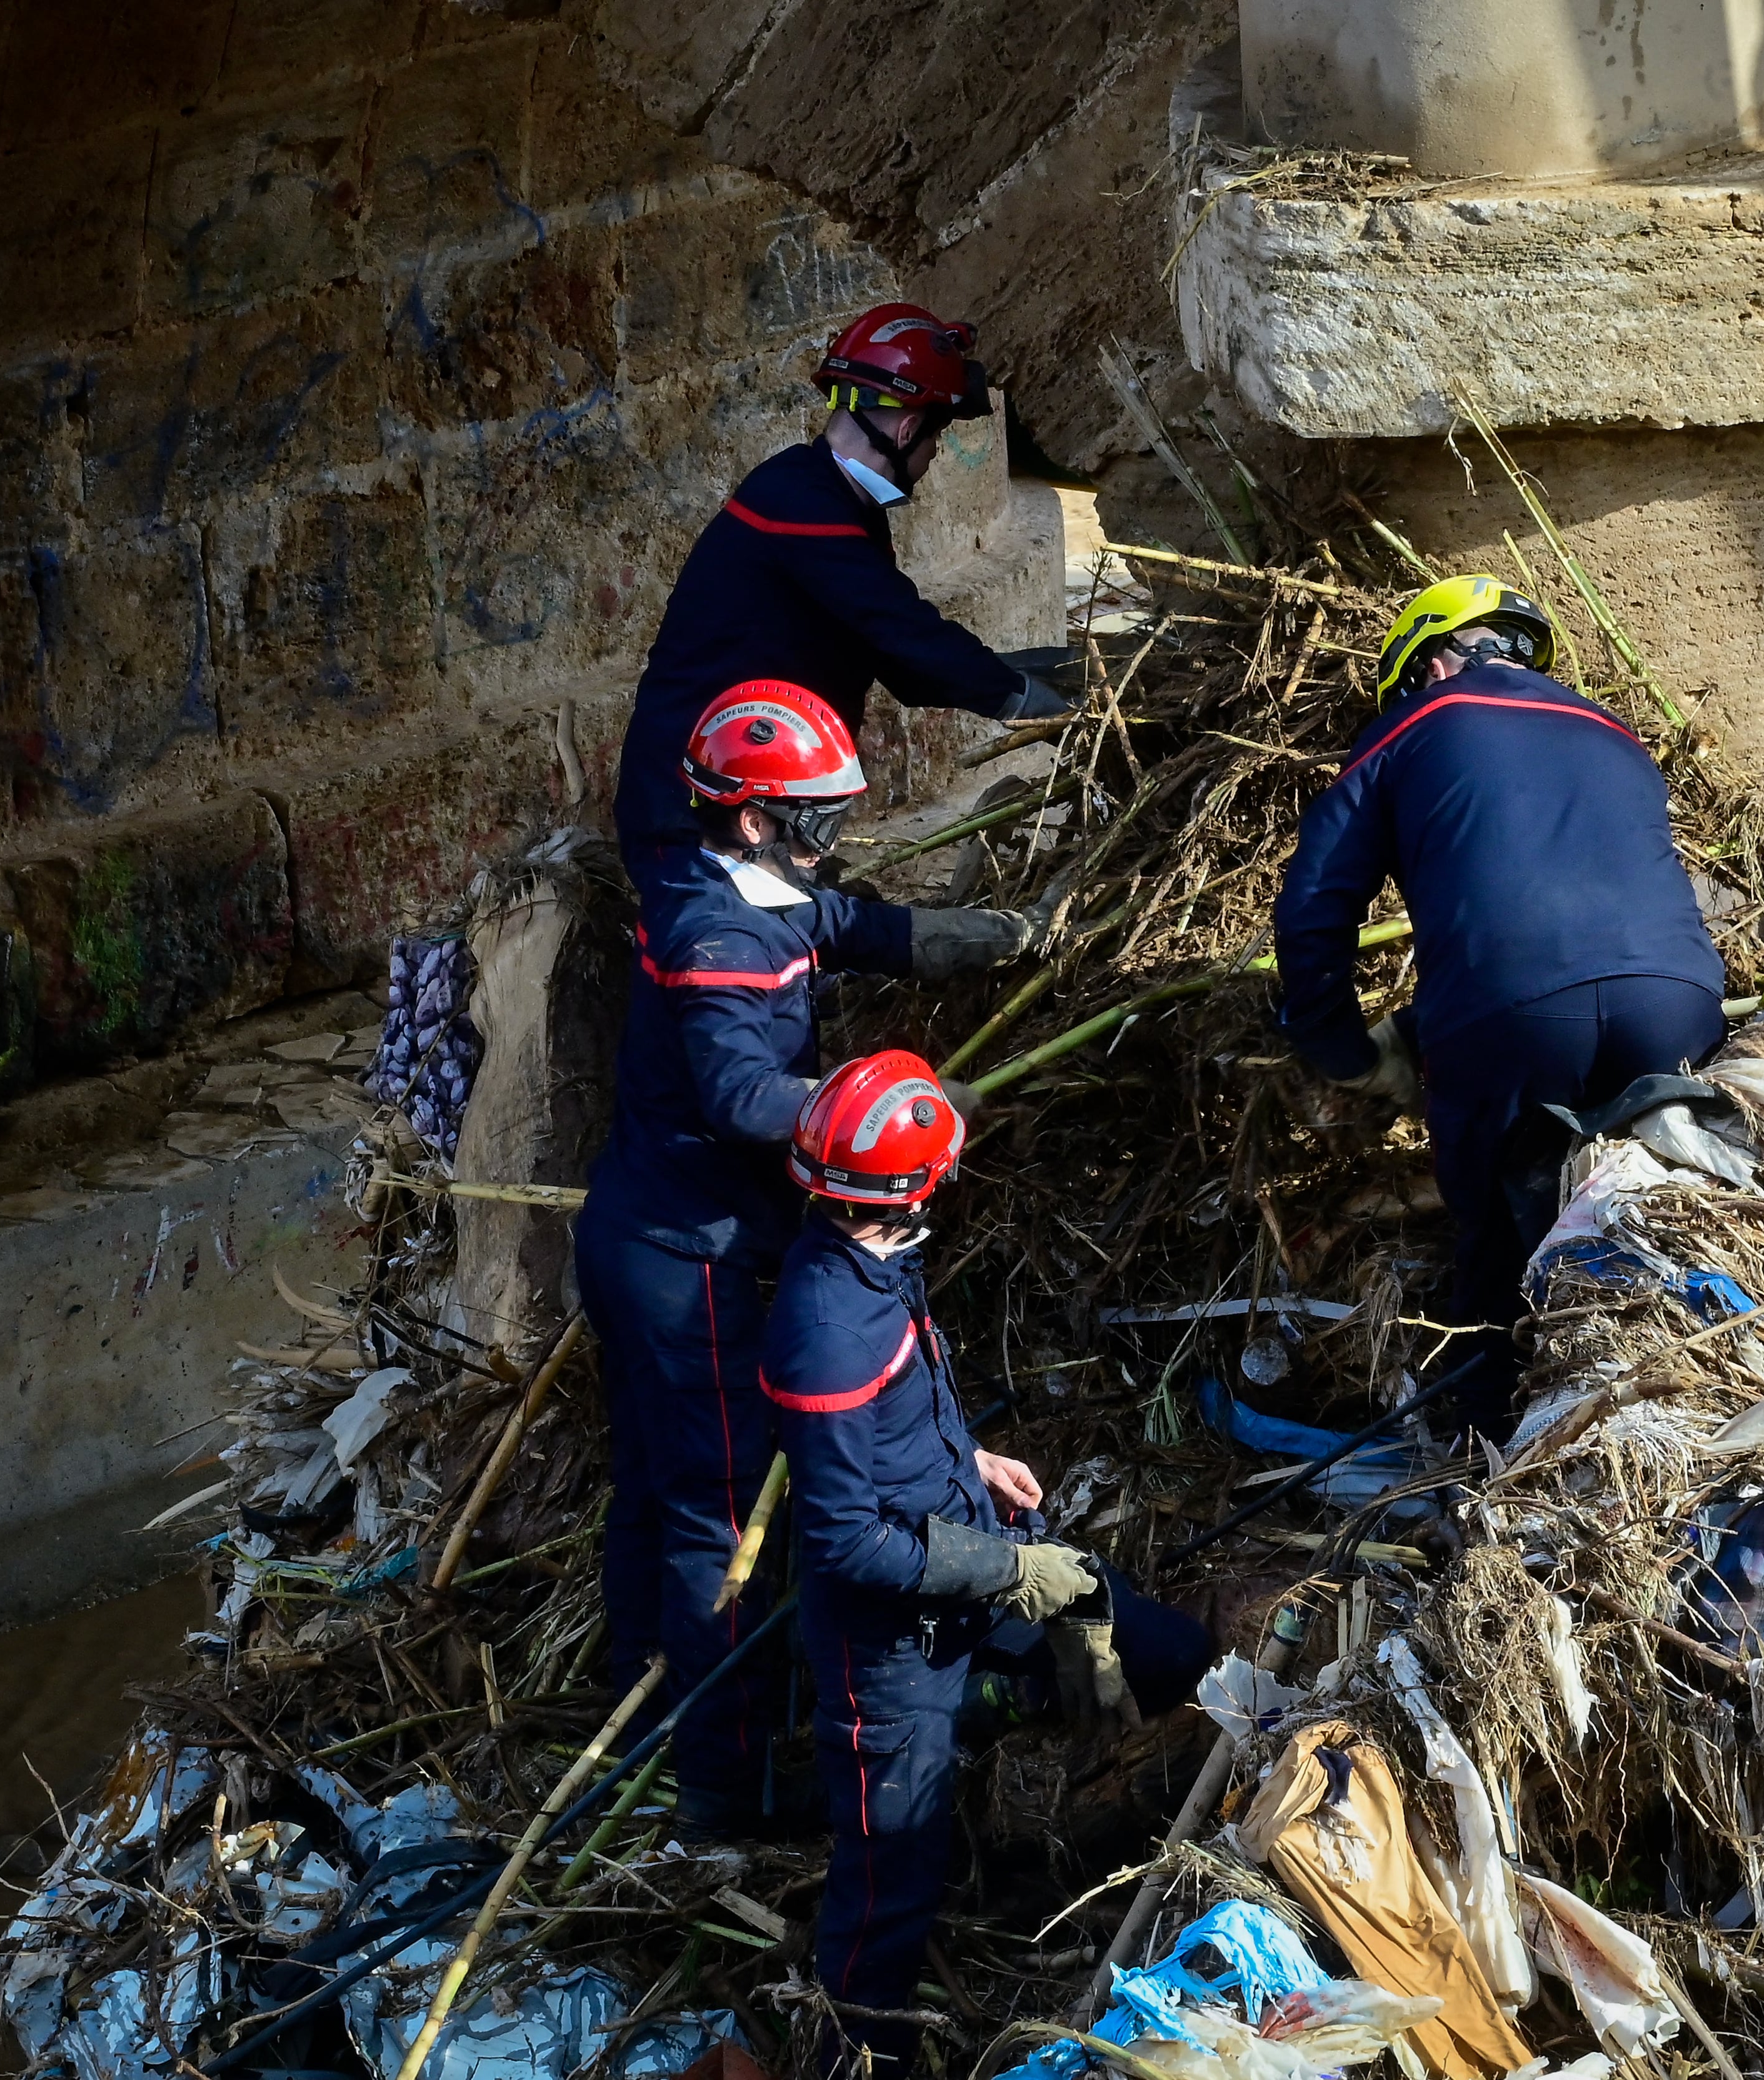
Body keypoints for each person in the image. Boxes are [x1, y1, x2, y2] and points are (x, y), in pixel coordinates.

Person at [574, 681, 1038, 1845]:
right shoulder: (719, 938)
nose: (832, 831)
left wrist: (930, 939)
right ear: (751, 819)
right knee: (714, 1526)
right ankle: (720, 1795)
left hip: (641, 1229)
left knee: (654, 1489)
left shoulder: (730, 887)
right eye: (814, 812)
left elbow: (828, 922)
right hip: (690, 1264)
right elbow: (740, 1096)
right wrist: (895, 1109)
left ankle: (638, 1707)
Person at [764, 1052, 1211, 2080]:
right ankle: (850, 2055)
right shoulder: (826, 1327)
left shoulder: (875, 1257)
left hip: (960, 1552)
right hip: (894, 1645)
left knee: (1158, 1643)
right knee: (890, 1883)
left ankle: (1133, 1783)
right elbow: (844, 1539)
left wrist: (969, 1459)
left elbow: (898, 1414)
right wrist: (1009, 1573)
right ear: (911, 1186)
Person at [1271, 576, 1728, 1434]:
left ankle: (1493, 1454)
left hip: (1511, 1016)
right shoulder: (1617, 733)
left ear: (1431, 662)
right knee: (1665, 1219)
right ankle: (1691, 1408)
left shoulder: (1411, 724)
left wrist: (1344, 1050)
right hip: (1680, 997)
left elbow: (1312, 908)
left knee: (1490, 1246)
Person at [614, 303, 1077, 897]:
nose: (935, 455)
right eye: (935, 436)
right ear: (907, 429)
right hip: (697, 813)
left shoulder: (829, 499)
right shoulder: (805, 510)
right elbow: (901, 631)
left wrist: (1035, 671)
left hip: (748, 805)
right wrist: (1021, 697)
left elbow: (899, 663)